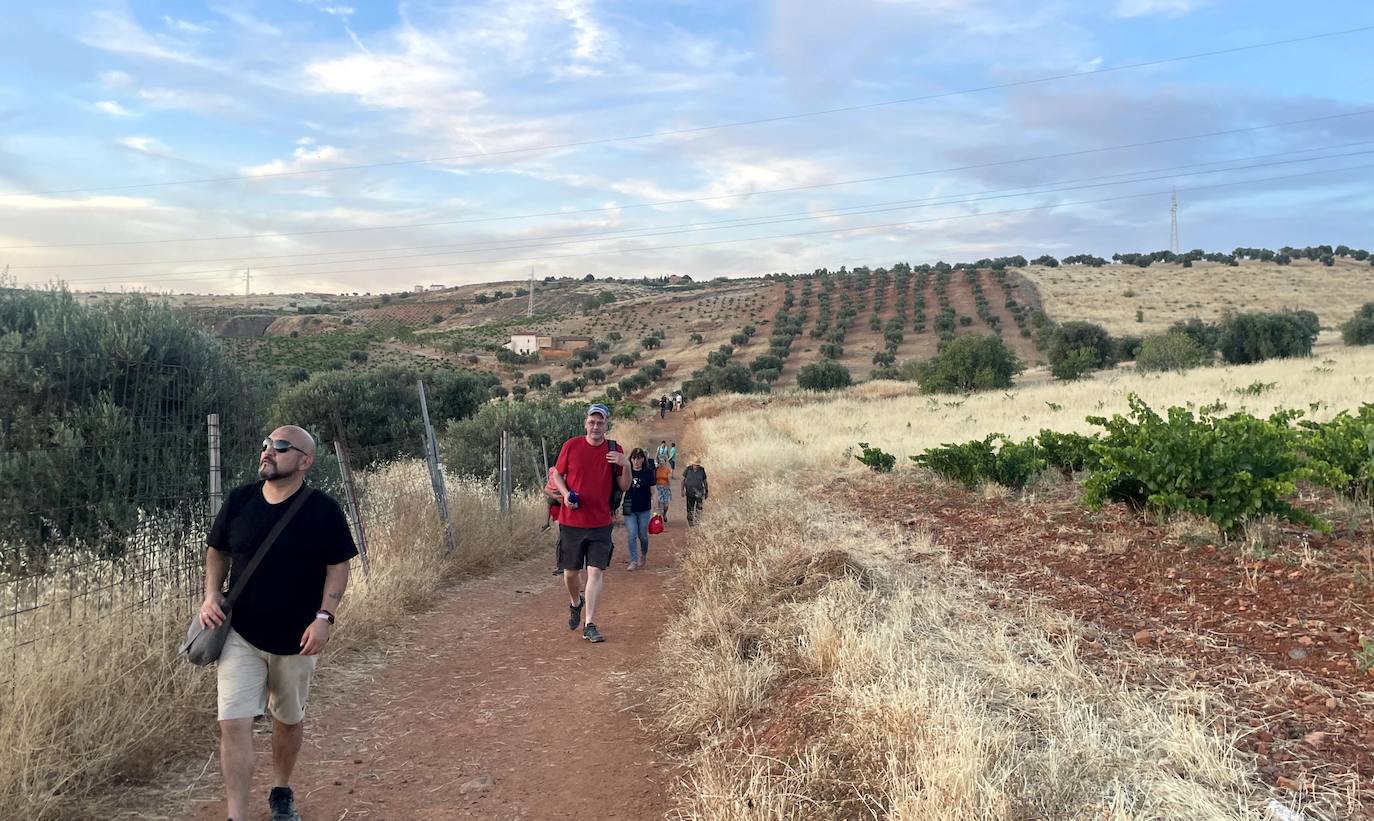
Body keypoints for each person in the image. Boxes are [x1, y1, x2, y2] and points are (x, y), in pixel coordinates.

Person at [198, 425, 358, 821]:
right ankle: (237, 815)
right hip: (240, 634)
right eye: (267, 444)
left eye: (281, 447)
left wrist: (325, 617)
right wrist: (211, 594)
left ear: (305, 461)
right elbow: (216, 550)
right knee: (233, 722)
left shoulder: (323, 509)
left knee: (287, 720)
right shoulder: (239, 501)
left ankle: (281, 790)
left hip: (296, 639)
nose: (268, 451)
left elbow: (338, 566)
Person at [548, 403, 630, 643]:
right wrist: (565, 494)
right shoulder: (571, 446)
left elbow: (624, 486)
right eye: (592, 422)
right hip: (571, 522)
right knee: (571, 574)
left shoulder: (615, 450)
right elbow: (557, 474)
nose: (596, 426)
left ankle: (590, 623)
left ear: (606, 425)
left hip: (601, 522)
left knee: (595, 572)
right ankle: (576, 602)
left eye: (600, 422)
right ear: (586, 423)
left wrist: (625, 464)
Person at [621, 448, 655, 570]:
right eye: (634, 458)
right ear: (630, 459)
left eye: (639, 458)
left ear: (643, 459)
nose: (636, 461)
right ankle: (633, 561)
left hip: (644, 509)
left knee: (643, 535)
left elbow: (653, 491)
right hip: (629, 508)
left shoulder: (648, 472)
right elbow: (620, 489)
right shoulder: (626, 471)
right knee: (631, 534)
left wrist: (656, 509)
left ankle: (644, 554)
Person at [683, 457, 709, 526]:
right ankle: (690, 522)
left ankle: (697, 522)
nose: (696, 466)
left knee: (699, 508)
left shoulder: (702, 470)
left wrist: (706, 491)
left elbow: (705, 481)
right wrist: (682, 490)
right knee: (690, 508)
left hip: (699, 493)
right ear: (692, 464)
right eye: (695, 465)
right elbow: (683, 480)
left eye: (698, 465)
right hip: (689, 492)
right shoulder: (688, 469)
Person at [654, 456, 673, 523]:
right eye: (660, 461)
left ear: (665, 462)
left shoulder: (667, 469)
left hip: (665, 488)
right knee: (660, 504)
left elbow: (669, 479)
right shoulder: (656, 469)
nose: (661, 462)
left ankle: (664, 514)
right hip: (658, 488)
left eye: (663, 461)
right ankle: (661, 518)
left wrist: (669, 487)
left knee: (666, 505)